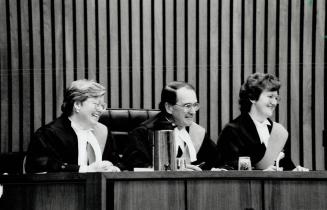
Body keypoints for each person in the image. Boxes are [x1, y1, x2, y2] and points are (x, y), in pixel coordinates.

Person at [216, 73, 309, 171]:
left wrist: (295, 171)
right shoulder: (232, 131)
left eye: (276, 98)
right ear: (252, 97)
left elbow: (285, 167)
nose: (274, 103)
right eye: (270, 96)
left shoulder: (279, 131)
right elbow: (226, 169)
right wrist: (261, 174)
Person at [25, 79, 122, 173]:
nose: (101, 110)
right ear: (77, 105)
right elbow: (40, 166)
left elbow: (119, 162)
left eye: (102, 106)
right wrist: (85, 170)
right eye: (96, 104)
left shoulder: (104, 131)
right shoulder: (49, 134)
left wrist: (114, 169)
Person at [123, 81, 220, 171]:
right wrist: (174, 170)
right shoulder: (143, 133)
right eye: (187, 106)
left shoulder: (197, 132)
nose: (193, 112)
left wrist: (218, 169)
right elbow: (135, 168)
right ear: (169, 107)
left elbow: (217, 161)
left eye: (195, 105)